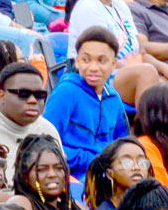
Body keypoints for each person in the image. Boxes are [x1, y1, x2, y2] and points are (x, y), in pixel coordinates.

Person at [43, 28, 128, 177]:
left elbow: (122, 144)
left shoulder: (113, 97)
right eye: (86, 60)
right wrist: (94, 160)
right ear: (77, 61)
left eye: (102, 61)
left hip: (106, 173)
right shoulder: (66, 92)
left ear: (113, 64)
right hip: (71, 174)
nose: (93, 68)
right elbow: (46, 143)